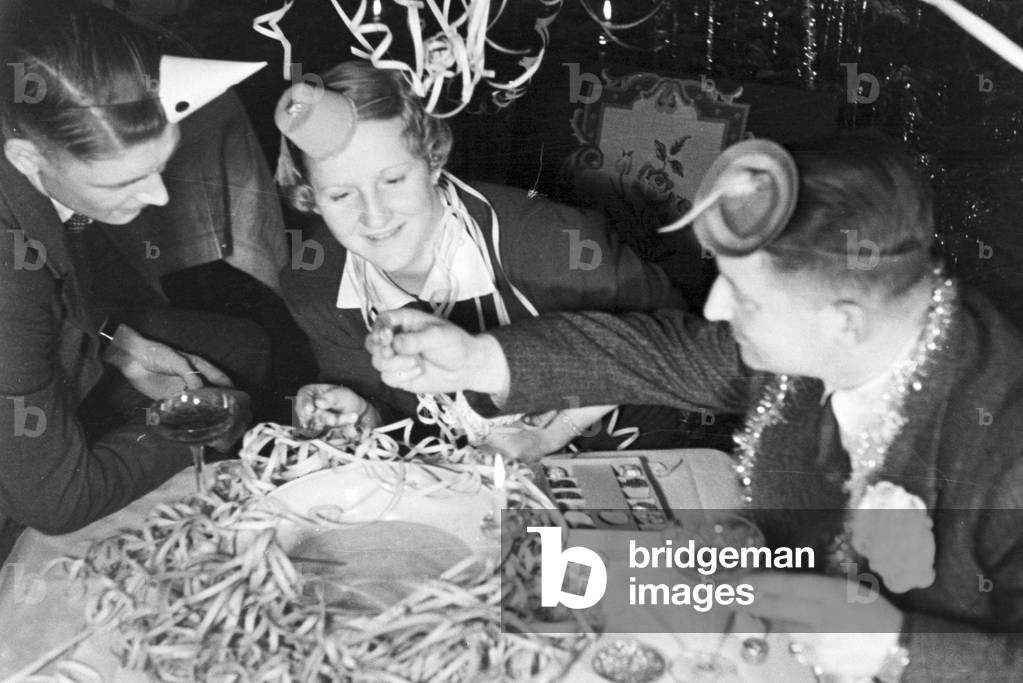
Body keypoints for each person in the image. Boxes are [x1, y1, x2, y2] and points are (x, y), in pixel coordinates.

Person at [367, 137, 1023, 681]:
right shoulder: (820, 335)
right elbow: (653, 352)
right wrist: (477, 358)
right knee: (502, 598)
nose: (713, 310)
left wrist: (895, 647)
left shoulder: (1005, 442)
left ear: (843, 323)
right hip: (760, 627)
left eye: (743, 296)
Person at [276, 61, 713, 458]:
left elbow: (676, 336)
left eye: (393, 179)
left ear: (431, 162)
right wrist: (365, 415)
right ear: (310, 198)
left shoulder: (550, 243)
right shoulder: (315, 287)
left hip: (644, 459)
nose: (374, 215)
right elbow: (407, 419)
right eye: (341, 194)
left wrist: (553, 432)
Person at [0, 0, 268, 564]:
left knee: (244, 349)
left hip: (32, 354)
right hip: (28, 471)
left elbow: (57, 297)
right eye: (127, 177)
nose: (159, 196)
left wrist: (117, 345)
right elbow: (57, 502)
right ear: (27, 158)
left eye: (160, 163)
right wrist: (190, 427)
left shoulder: (31, 149)